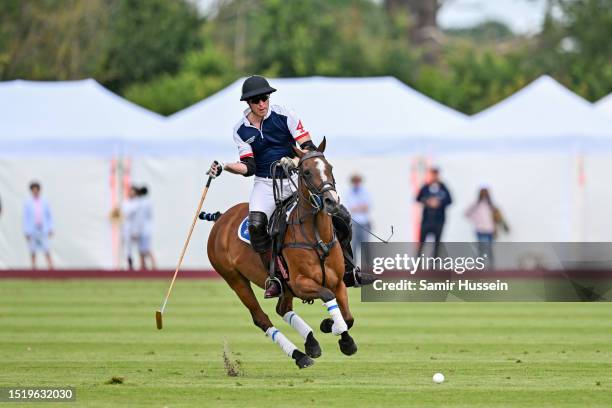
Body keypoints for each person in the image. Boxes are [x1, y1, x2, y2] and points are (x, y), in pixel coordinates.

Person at [207, 75, 363, 298]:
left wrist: (296, 161)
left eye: (265, 98)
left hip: (295, 180)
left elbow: (309, 147)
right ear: (248, 103)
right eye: (257, 100)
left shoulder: (285, 115)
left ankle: (349, 270)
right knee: (257, 225)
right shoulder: (240, 130)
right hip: (264, 183)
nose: (262, 104)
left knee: (340, 215)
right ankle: (274, 278)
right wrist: (224, 166)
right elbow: (248, 166)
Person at [465, 187, 510, 266]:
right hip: (480, 230)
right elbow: (467, 214)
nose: (484, 196)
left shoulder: (491, 206)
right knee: (481, 249)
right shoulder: (476, 205)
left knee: (490, 249)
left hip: (490, 230)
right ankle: (480, 266)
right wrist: (476, 220)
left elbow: (498, 218)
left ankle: (491, 267)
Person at [416, 167, 452, 257]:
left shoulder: (443, 187)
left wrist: (439, 203)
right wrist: (427, 201)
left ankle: (434, 263)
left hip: (439, 220)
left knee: (437, 243)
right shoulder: (425, 187)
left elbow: (450, 200)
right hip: (427, 220)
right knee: (421, 242)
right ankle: (418, 261)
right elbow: (418, 198)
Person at [23, 181, 54, 269]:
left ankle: (51, 268)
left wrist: (50, 228)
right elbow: (26, 218)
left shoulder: (45, 202)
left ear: (39, 190)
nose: (35, 191)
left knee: (46, 248)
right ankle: (33, 268)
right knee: (32, 250)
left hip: (43, 228)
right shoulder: (28, 203)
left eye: (37, 190)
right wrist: (26, 231)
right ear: (31, 191)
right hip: (32, 229)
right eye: (33, 190)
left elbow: (49, 216)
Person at [343, 174, 371, 267]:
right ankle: (354, 268)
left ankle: (368, 267)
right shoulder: (348, 192)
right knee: (353, 247)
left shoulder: (366, 191)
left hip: (364, 223)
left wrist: (357, 207)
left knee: (366, 246)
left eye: (358, 181)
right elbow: (350, 208)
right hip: (353, 224)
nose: (356, 183)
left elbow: (367, 207)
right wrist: (360, 206)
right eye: (355, 181)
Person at [136, 185, 156, 270]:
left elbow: (140, 218)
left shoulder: (140, 203)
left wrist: (136, 230)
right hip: (147, 228)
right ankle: (145, 266)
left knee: (143, 249)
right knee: (145, 248)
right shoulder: (148, 202)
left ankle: (145, 266)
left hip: (142, 229)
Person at [120, 185, 140, 270]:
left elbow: (136, 217)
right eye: (130, 191)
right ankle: (126, 264)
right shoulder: (125, 202)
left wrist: (136, 231)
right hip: (125, 227)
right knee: (126, 246)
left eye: (133, 191)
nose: (131, 193)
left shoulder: (137, 203)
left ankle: (135, 265)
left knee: (134, 247)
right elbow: (123, 213)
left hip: (134, 227)